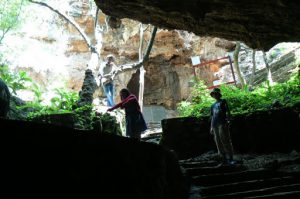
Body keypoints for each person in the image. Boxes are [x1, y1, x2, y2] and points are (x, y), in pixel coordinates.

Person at [209, 88, 235, 165]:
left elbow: (228, 111)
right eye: (213, 94)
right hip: (215, 124)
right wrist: (211, 127)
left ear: (219, 94)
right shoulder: (212, 105)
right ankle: (223, 158)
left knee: (225, 140)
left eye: (216, 93)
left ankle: (230, 158)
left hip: (222, 123)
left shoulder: (223, 101)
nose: (215, 95)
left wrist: (229, 120)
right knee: (218, 142)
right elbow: (212, 116)